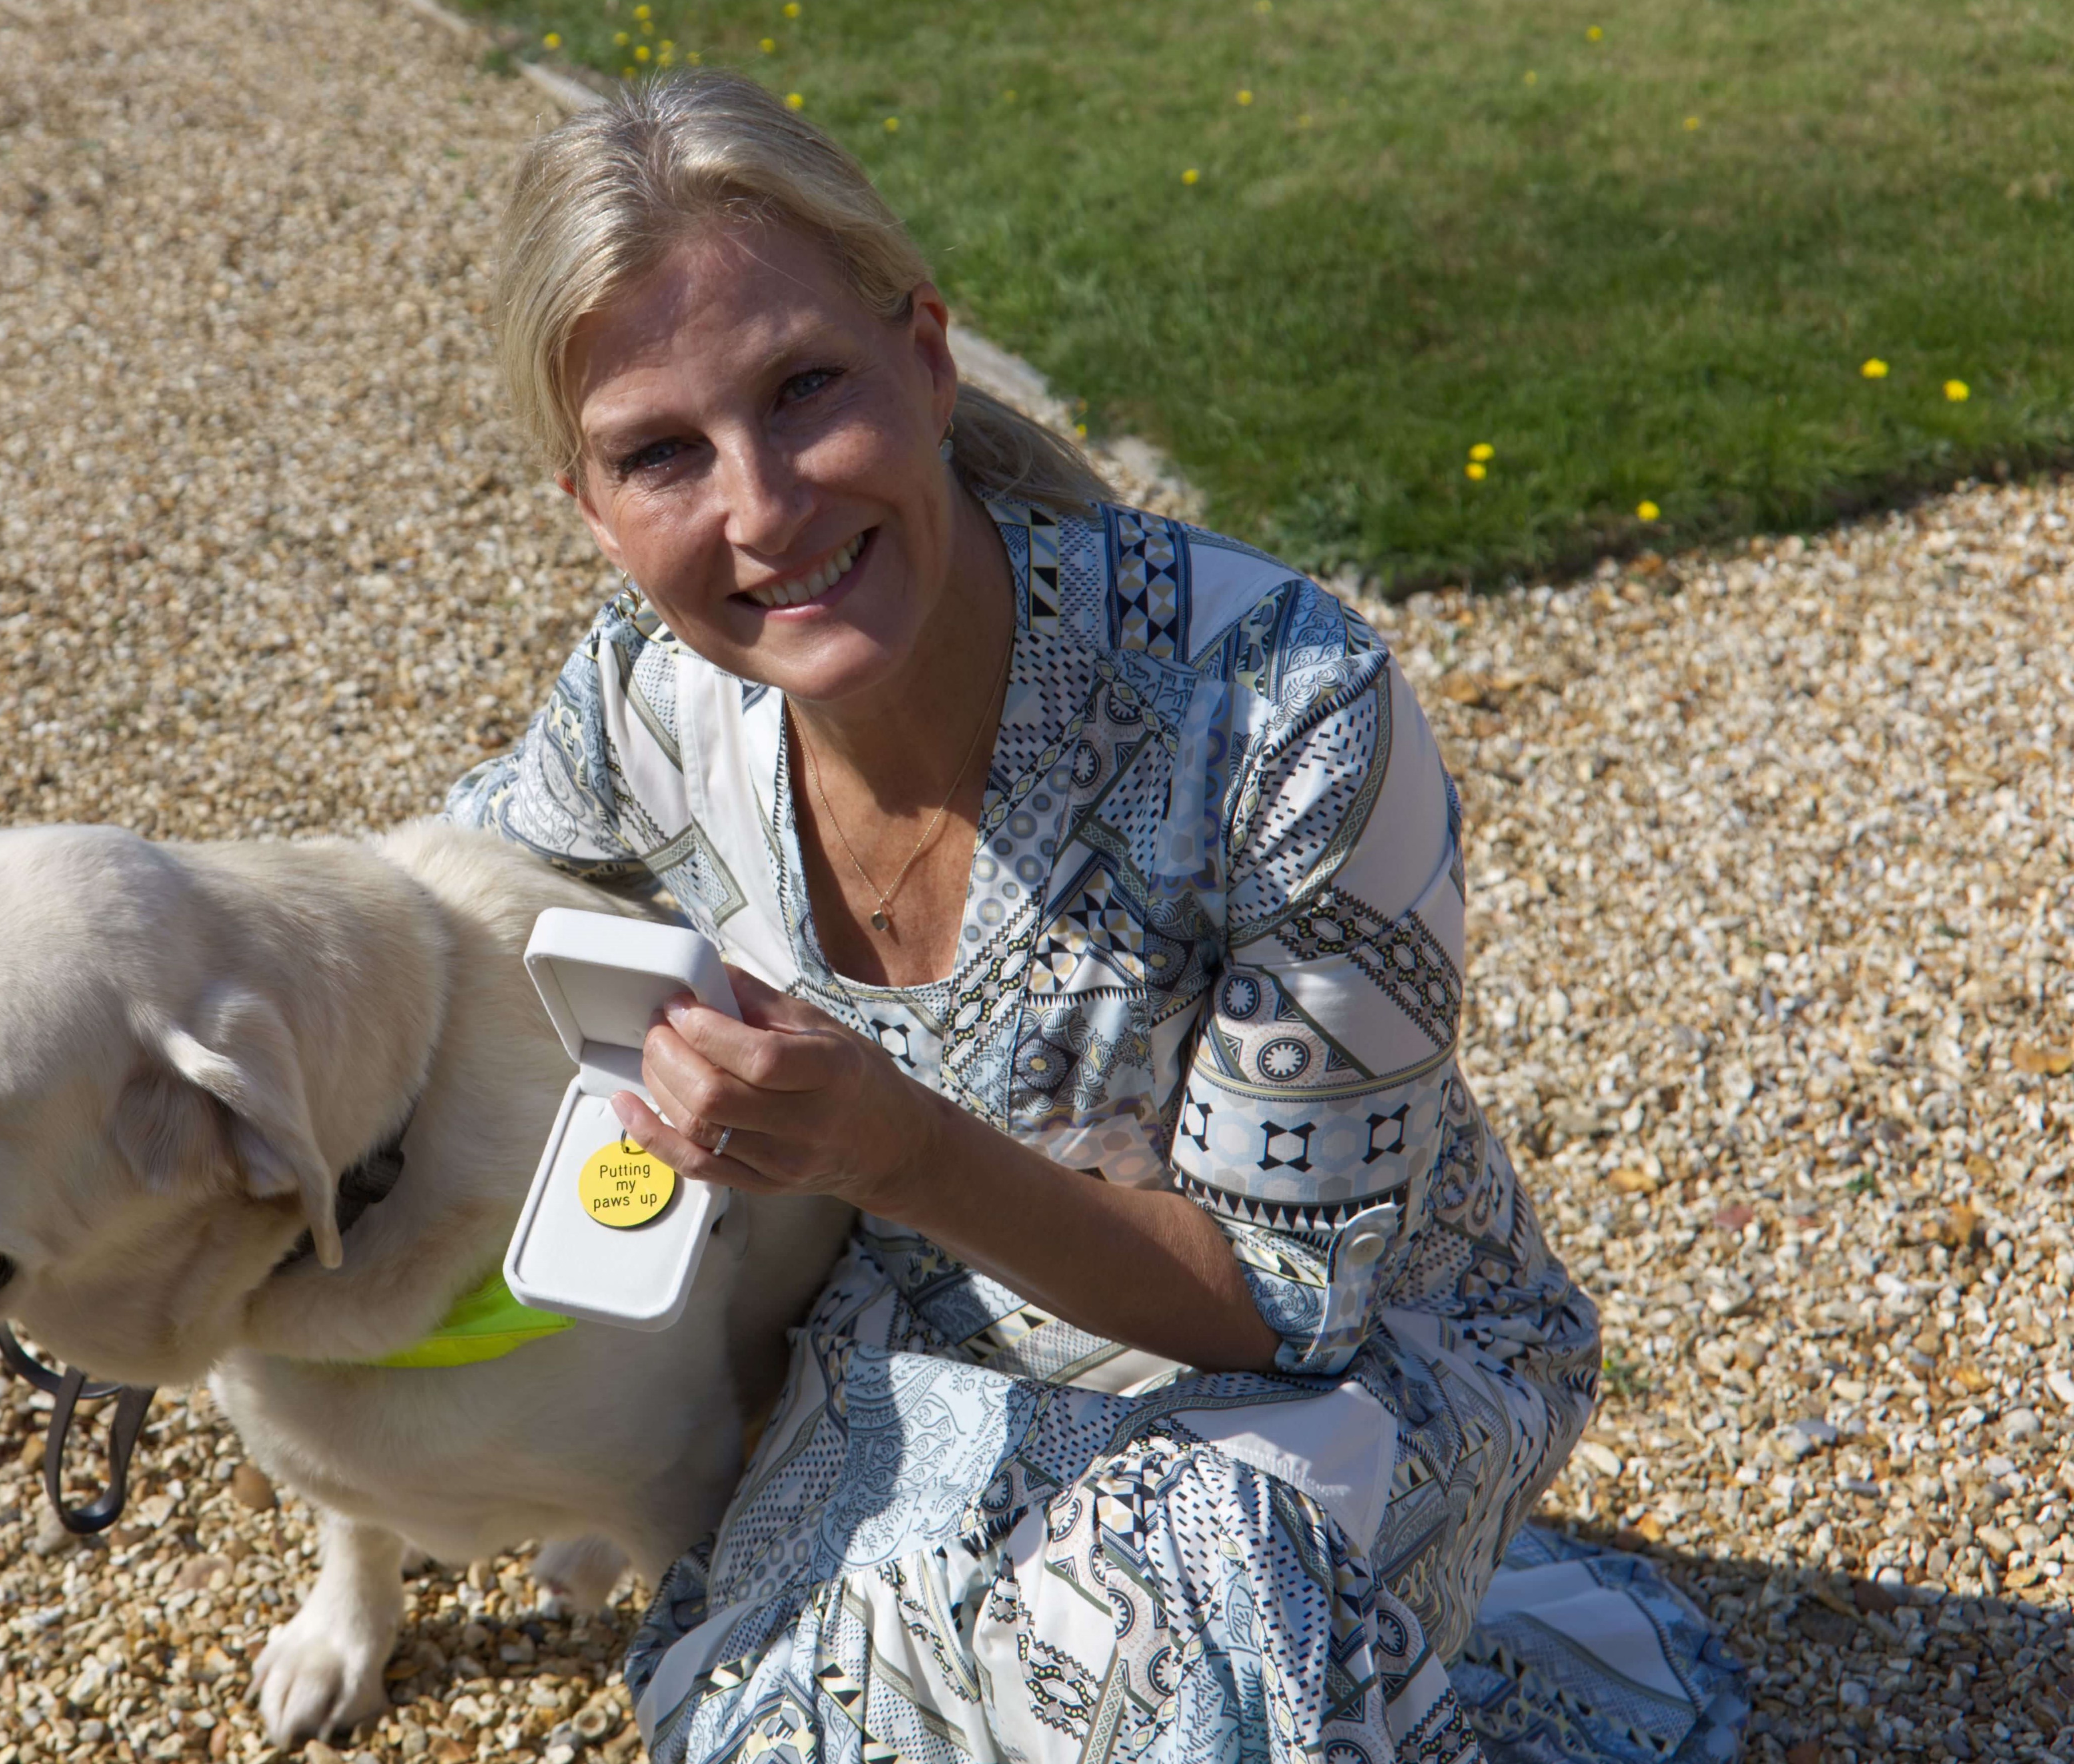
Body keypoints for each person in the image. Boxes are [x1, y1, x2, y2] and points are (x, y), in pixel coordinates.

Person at [445, 70, 1745, 1764]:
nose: (758, 509)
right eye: (660, 455)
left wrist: (888, 1146)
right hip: (929, 1342)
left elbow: (1289, 1303)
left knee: (1188, 1667)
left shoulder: (1277, 708)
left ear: (926, 356)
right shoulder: (641, 708)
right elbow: (440, 922)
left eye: (805, 387)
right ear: (590, 513)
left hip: (1330, 1374)